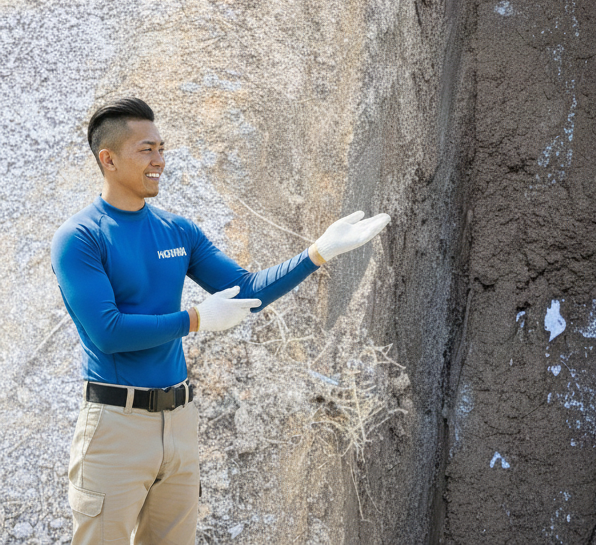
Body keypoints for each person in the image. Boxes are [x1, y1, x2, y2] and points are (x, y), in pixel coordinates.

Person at [50, 97, 390, 545]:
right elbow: (108, 333)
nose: (159, 161)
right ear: (108, 159)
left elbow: (246, 292)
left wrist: (317, 253)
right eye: (146, 150)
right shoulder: (80, 238)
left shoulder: (177, 231)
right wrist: (195, 319)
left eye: (162, 148)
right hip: (116, 426)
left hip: (179, 422)